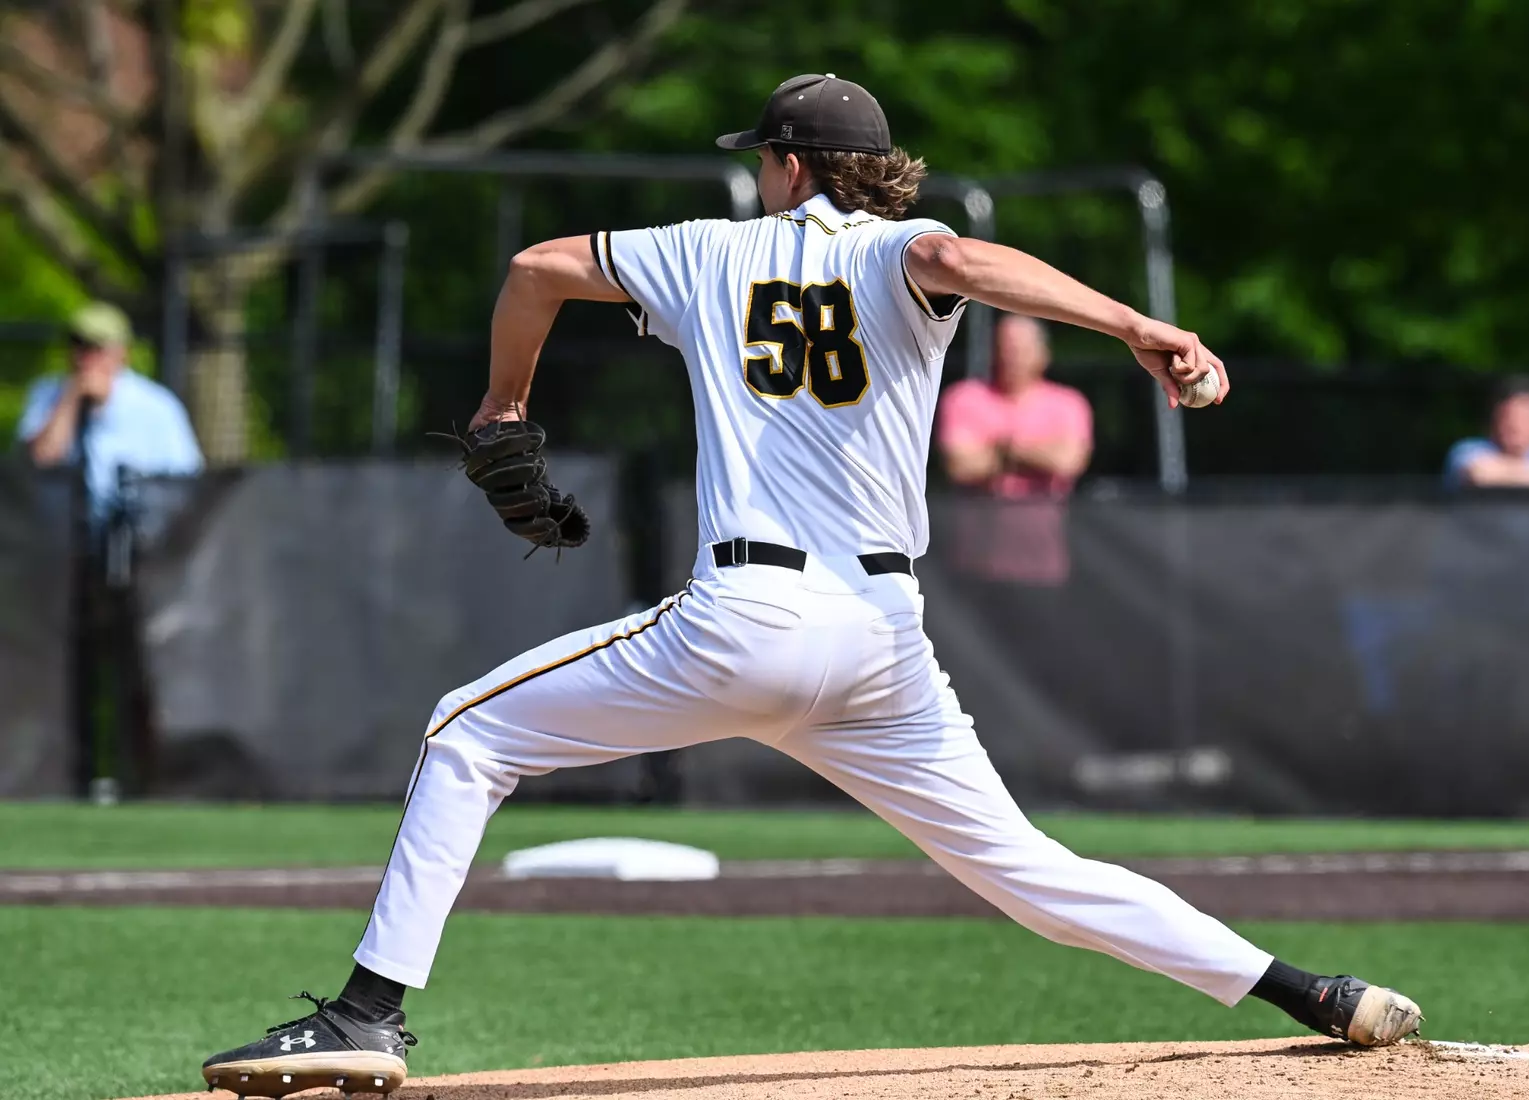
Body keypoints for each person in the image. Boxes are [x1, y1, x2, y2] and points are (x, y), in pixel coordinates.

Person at [201, 74, 1420, 1098]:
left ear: (791, 165)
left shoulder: (707, 252)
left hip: (744, 618)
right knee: (1031, 872)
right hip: (885, 641)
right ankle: (1313, 991)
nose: (758, 178)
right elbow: (955, 255)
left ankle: (367, 1016)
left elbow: (534, 267)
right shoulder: (904, 252)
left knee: (466, 731)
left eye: (765, 159)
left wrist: (503, 403)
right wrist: (1134, 325)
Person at [16, 301, 204, 514]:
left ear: (122, 352)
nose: (87, 358)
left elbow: (186, 480)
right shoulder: (47, 394)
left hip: (141, 531)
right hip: (62, 531)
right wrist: (70, 399)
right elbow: (40, 460)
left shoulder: (158, 405)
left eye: (97, 348)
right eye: (79, 345)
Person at [937, 313, 1093, 497]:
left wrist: (1004, 451)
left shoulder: (1069, 403)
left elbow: (1068, 462)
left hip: (1046, 520)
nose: (1011, 358)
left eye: (1021, 350)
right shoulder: (962, 398)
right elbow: (960, 467)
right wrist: (1039, 454)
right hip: (977, 518)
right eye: (1005, 348)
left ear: (1043, 354)